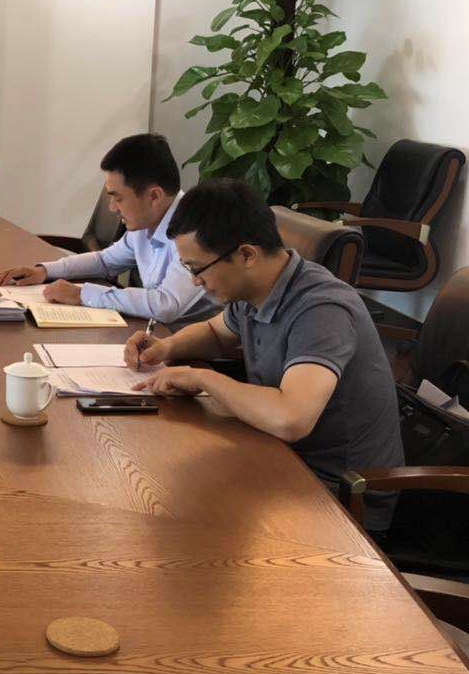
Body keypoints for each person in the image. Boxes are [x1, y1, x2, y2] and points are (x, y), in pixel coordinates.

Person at [124, 179, 404, 532]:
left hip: (339, 494)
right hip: (280, 457)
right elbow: (215, 332)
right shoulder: (256, 289)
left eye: (197, 268)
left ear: (246, 255)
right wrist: (166, 347)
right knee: (165, 481)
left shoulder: (322, 309)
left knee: (184, 513)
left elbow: (291, 418)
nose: (195, 281)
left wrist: (204, 378)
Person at [1, 133, 211, 323]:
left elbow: (166, 304)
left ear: (154, 196)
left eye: (118, 199)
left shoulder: (195, 230)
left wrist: (81, 294)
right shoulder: (146, 222)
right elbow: (105, 260)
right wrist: (44, 271)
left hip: (194, 347)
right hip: (154, 333)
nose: (112, 208)